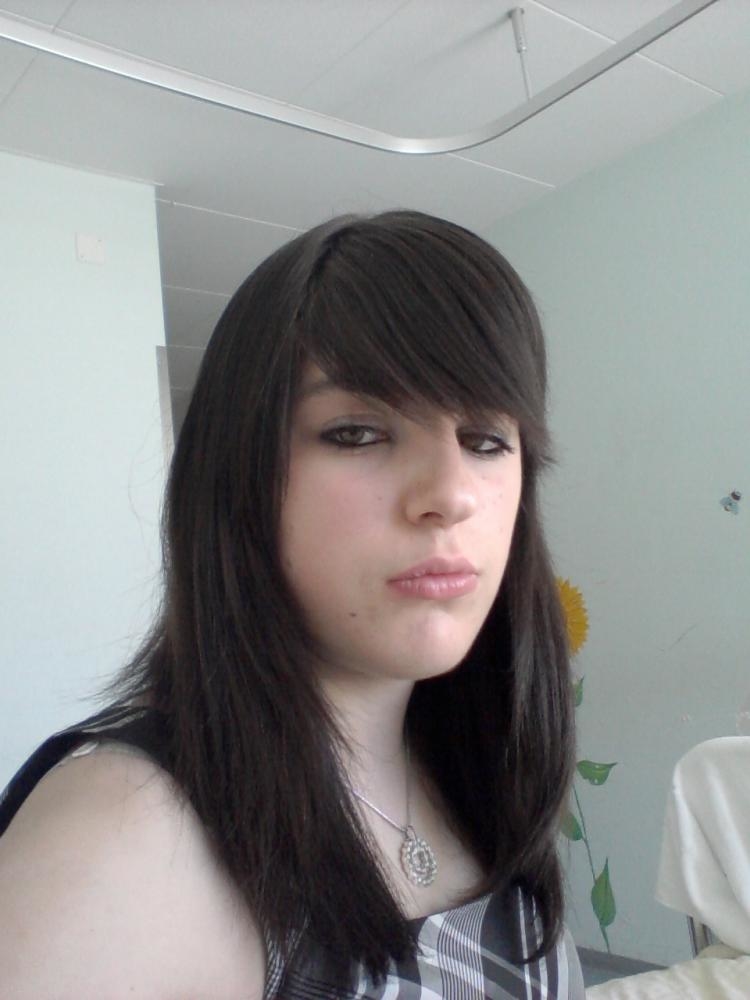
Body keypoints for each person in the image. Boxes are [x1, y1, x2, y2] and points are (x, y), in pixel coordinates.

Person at [0, 210, 584, 998]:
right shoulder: (125, 834)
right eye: (357, 432)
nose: (451, 494)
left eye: (486, 440)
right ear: (239, 478)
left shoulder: (480, 776)